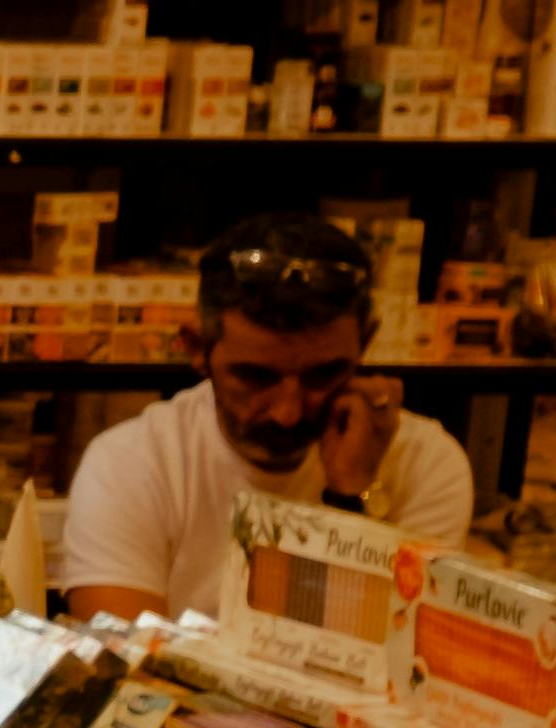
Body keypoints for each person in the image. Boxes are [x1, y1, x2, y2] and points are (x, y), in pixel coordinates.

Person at [57, 219, 476, 617]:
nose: (288, 413)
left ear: (365, 344)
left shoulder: (428, 464)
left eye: (322, 376)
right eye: (256, 377)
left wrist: (351, 495)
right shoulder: (130, 463)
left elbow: (395, 667)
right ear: (196, 349)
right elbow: (127, 672)